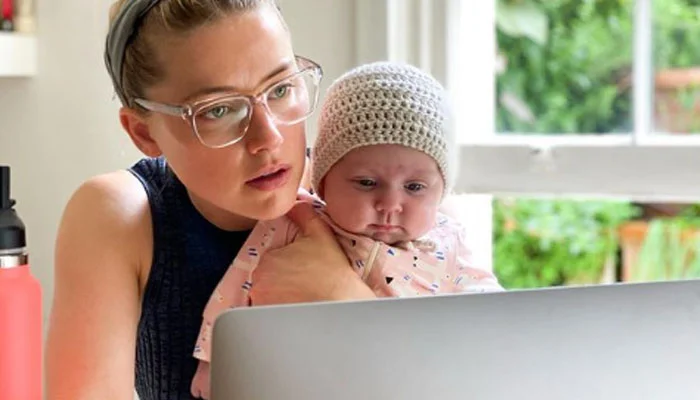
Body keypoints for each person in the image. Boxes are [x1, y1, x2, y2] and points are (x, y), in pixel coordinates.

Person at [44, 1, 376, 399]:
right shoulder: (120, 216)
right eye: (218, 110)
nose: (268, 137)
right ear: (144, 133)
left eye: (281, 88)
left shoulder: (375, 192)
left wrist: (350, 298)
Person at [189, 61, 504, 399]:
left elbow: (495, 317)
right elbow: (235, 290)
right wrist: (212, 361)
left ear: (441, 190)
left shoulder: (449, 241)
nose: (389, 204)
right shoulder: (294, 222)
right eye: (367, 183)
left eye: (414, 187)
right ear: (324, 181)